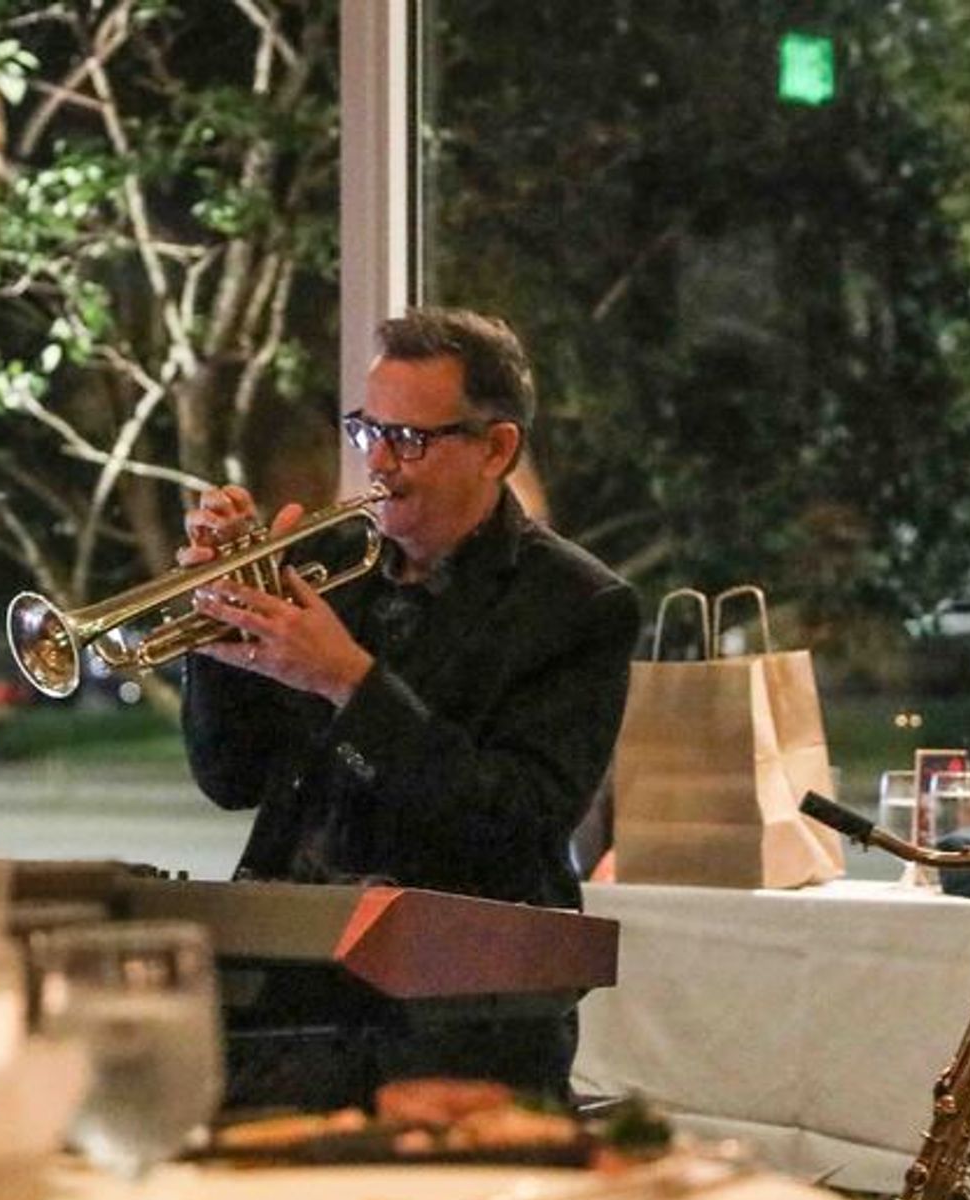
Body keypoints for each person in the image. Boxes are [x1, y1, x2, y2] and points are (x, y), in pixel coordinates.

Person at [178, 306, 639, 1106]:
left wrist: (349, 684)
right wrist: (222, 625)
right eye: (367, 431)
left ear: (497, 449)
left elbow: (517, 821)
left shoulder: (579, 606)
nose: (379, 464)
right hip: (282, 996)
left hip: (459, 1021)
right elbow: (231, 778)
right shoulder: (330, 567)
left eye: (411, 439)